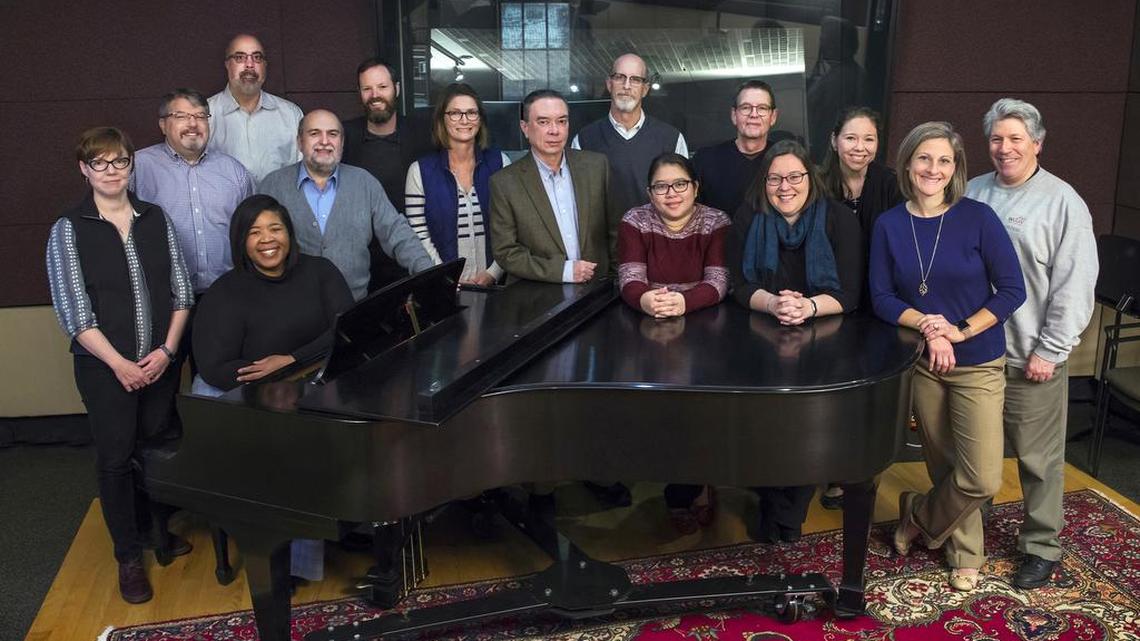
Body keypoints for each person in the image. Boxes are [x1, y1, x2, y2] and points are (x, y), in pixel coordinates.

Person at [870, 121, 1026, 592]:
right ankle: (965, 553)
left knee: (980, 476)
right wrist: (927, 326)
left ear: (955, 168)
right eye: (924, 158)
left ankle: (916, 513)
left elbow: (1011, 291)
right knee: (944, 464)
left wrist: (955, 331)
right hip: (921, 361)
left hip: (977, 361)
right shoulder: (890, 224)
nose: (932, 169)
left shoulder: (978, 217)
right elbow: (880, 296)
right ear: (907, 163)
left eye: (944, 160)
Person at [45, 127, 195, 604]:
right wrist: (119, 364)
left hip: (158, 362)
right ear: (84, 169)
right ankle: (128, 556)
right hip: (103, 369)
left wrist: (167, 353)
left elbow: (182, 292)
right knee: (115, 460)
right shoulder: (69, 228)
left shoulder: (156, 219)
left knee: (154, 448)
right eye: (100, 163)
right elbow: (74, 313)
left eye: (120, 161)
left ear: (132, 165)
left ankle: (157, 531)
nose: (111, 171)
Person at [966, 99, 1098, 589]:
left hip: (1029, 356)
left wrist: (1052, 349)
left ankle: (1041, 545)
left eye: (1016, 139)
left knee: (1038, 461)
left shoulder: (1063, 202)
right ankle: (969, 535)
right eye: (997, 139)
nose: (1005, 148)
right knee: (975, 455)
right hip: (976, 354)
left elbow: (1075, 285)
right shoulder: (974, 192)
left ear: (1037, 144)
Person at [727, 139, 862, 543]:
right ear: (763, 182)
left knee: (807, 431)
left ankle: (786, 515)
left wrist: (806, 308)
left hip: (825, 339)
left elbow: (850, 293)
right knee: (767, 430)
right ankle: (779, 511)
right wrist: (773, 304)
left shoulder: (840, 218)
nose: (785, 186)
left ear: (811, 178)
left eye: (794, 177)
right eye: (775, 178)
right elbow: (739, 285)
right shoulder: (748, 217)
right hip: (761, 339)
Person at [618, 152, 730, 533]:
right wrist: (647, 300)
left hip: (704, 325)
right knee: (661, 411)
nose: (671, 193)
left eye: (680, 184)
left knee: (702, 409)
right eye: (661, 186)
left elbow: (717, 281)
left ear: (695, 187)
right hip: (650, 324)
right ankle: (676, 483)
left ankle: (697, 483)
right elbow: (630, 277)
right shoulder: (634, 220)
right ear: (650, 192)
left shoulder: (716, 221)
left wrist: (683, 301)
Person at [816, 105, 902, 509]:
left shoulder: (889, 182)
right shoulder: (816, 181)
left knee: (870, 394)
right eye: (851, 137)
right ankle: (830, 470)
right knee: (832, 390)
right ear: (835, 140)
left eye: (869, 139)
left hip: (878, 303)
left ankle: (858, 473)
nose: (860, 147)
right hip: (830, 302)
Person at [131, 88, 256, 369]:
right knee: (159, 386)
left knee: (218, 382)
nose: (193, 123)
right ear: (163, 124)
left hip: (222, 300)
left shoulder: (234, 172)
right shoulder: (138, 167)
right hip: (163, 301)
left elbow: (251, 233)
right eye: (181, 116)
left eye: (200, 116)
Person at [257, 109, 433, 300]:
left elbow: (397, 233)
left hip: (352, 308)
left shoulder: (364, 182)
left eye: (333, 134)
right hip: (291, 309)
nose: (324, 141)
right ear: (300, 142)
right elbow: (254, 244)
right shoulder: (272, 185)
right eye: (314, 133)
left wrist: (428, 273)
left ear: (341, 142)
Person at [490, 89, 618, 284]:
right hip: (537, 300)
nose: (554, 130)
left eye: (561, 121)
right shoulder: (505, 182)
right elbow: (506, 252)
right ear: (524, 127)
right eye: (543, 122)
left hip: (597, 292)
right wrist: (563, 271)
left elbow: (615, 233)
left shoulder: (597, 166)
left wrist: (616, 282)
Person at [343, 57, 435, 291]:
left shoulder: (424, 135)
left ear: (397, 89)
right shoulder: (344, 137)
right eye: (367, 88)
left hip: (414, 250)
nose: (375, 95)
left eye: (382, 87)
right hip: (361, 258)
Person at [404, 83, 511, 285]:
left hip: (496, 285)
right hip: (442, 287)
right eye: (455, 113)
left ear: (480, 119)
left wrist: (492, 274)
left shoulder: (500, 163)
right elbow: (418, 235)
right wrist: (446, 277)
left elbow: (513, 227)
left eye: (471, 112)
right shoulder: (419, 171)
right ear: (442, 120)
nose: (464, 120)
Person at [572, 53, 688, 217]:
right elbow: (579, 201)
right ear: (609, 84)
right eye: (620, 77)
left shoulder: (672, 139)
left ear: (645, 89)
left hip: (657, 239)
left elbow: (682, 199)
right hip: (603, 240)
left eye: (635, 79)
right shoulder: (584, 140)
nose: (626, 85)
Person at [207, 34, 304, 183]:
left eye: (257, 57)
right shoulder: (205, 114)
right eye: (240, 57)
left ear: (265, 65)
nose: (250, 65)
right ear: (227, 64)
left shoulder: (291, 114)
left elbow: (303, 172)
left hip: (278, 205)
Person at [693, 80, 782, 217]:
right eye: (746, 107)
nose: (754, 114)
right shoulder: (705, 160)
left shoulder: (785, 160)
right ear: (734, 115)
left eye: (762, 108)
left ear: (773, 117)